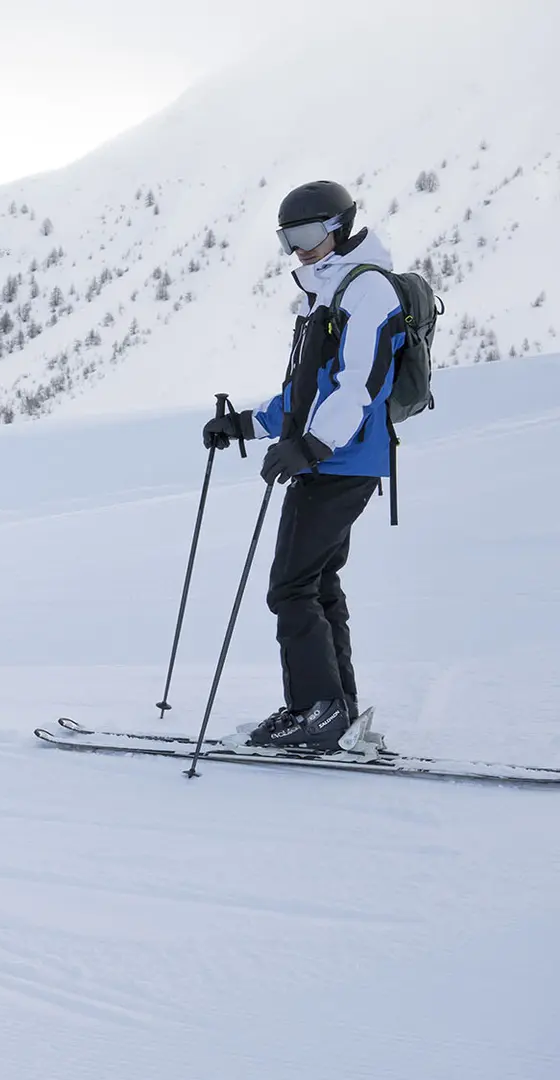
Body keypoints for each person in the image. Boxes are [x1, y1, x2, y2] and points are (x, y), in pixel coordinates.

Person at [201, 180, 404, 751]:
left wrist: (313, 446)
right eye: (290, 237)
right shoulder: (331, 290)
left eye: (311, 233)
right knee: (317, 584)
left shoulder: (368, 291)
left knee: (290, 588)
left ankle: (316, 713)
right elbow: (306, 390)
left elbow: (358, 384)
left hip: (341, 461)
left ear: (340, 227)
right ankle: (336, 710)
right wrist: (245, 424)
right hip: (331, 459)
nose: (300, 248)